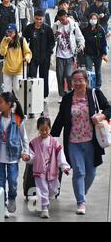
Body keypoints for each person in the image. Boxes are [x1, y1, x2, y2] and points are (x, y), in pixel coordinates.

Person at [51, 69, 111, 215]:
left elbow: (109, 108)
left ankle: (80, 193)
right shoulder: (67, 98)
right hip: (73, 141)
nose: (77, 83)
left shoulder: (95, 94)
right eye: (75, 80)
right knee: (79, 171)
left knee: (91, 173)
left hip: (92, 141)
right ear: (71, 82)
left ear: (86, 81)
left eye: (80, 80)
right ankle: (81, 202)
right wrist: (51, 137)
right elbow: (60, 119)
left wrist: (102, 116)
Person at [0, 92, 30, 218]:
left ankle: (12, 198)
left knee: (13, 181)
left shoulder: (18, 119)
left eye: (1, 102)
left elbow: (23, 137)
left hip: (13, 156)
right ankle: (2, 205)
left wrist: (25, 152)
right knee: (0, 182)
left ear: (9, 104)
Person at [27, 117, 71, 219]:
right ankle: (44, 209)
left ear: (50, 128)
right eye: (41, 130)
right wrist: (28, 157)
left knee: (53, 190)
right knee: (43, 190)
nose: (44, 132)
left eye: (46, 129)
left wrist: (64, 167)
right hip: (39, 170)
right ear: (38, 129)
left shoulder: (55, 142)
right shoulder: (34, 143)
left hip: (52, 170)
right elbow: (31, 155)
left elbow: (60, 155)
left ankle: (45, 200)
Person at [22, 10, 55, 100]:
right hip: (33, 56)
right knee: (32, 75)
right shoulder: (29, 28)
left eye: (40, 19)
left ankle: (44, 95)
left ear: (43, 18)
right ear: (34, 18)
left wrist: (48, 52)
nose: (38, 21)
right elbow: (23, 40)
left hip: (45, 56)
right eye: (37, 19)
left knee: (44, 75)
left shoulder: (47, 28)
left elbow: (52, 42)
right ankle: (31, 93)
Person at [52, 9, 85, 100]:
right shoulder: (56, 25)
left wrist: (81, 45)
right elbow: (51, 40)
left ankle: (70, 91)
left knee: (69, 74)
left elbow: (80, 37)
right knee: (60, 76)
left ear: (66, 16)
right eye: (60, 20)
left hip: (70, 55)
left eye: (63, 19)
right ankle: (62, 95)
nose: (62, 21)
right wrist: (55, 35)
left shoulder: (73, 25)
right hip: (59, 55)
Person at [0, 23, 32, 95]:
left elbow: (28, 52)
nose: (10, 34)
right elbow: (2, 53)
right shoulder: (4, 40)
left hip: (18, 70)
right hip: (7, 69)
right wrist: (6, 43)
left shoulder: (21, 40)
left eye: (12, 32)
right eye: (8, 32)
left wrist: (26, 58)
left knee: (17, 89)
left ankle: (19, 105)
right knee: (7, 91)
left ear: (15, 32)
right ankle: (9, 105)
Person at [81, 13, 109, 89]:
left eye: (95, 19)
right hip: (88, 54)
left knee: (98, 71)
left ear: (97, 20)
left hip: (98, 54)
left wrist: (104, 54)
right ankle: (88, 86)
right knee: (88, 71)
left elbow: (104, 42)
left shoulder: (100, 30)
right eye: (92, 18)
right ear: (89, 19)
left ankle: (98, 86)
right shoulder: (84, 30)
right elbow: (81, 40)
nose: (93, 20)